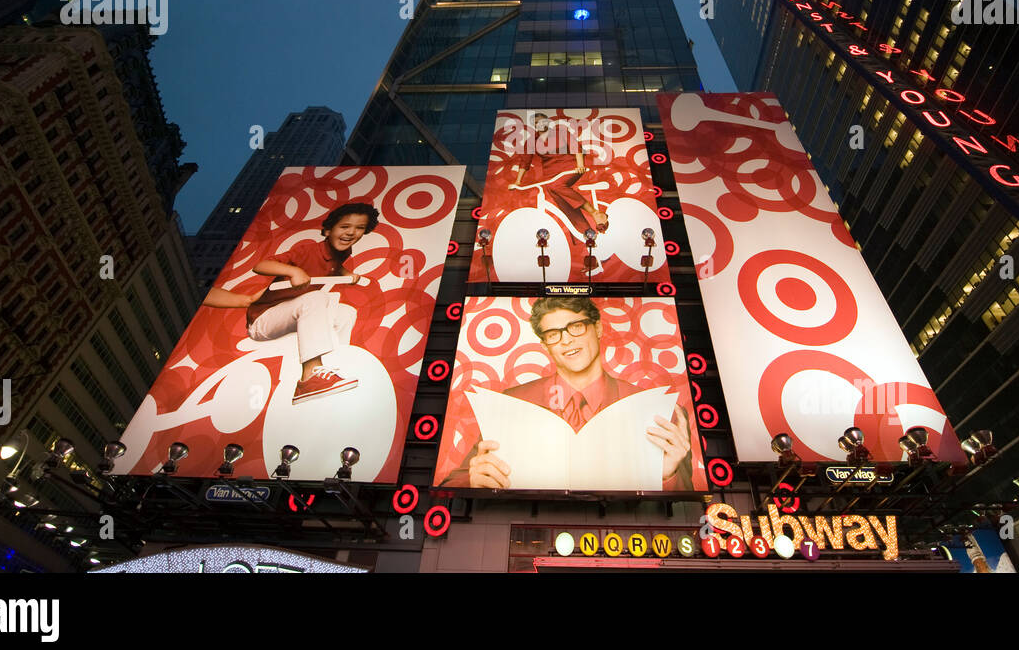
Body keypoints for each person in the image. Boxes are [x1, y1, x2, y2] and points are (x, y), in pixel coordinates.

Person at [441, 296, 694, 489]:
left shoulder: (658, 410)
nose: (566, 340)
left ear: (598, 328)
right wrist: (472, 480)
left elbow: (689, 505)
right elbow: (451, 485)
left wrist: (667, 476)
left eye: (576, 327)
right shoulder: (511, 402)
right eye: (553, 334)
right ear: (544, 345)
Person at [216, 202, 379, 404]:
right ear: (328, 230)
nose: (351, 233)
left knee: (346, 313)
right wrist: (294, 271)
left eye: (359, 228)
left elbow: (335, 267)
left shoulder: (342, 252)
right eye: (345, 227)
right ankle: (309, 378)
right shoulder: (308, 251)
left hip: (292, 314)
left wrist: (348, 274)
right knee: (317, 298)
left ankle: (331, 367)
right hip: (264, 319)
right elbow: (261, 265)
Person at [509, 113, 609, 233]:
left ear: (547, 122)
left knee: (555, 186)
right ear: (534, 125)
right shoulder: (532, 141)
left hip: (571, 166)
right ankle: (586, 231)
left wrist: (580, 165)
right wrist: (518, 181)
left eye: (542, 121)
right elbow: (525, 161)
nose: (540, 124)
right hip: (550, 174)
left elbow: (575, 146)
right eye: (536, 122)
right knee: (556, 194)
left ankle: (594, 212)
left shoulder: (560, 132)